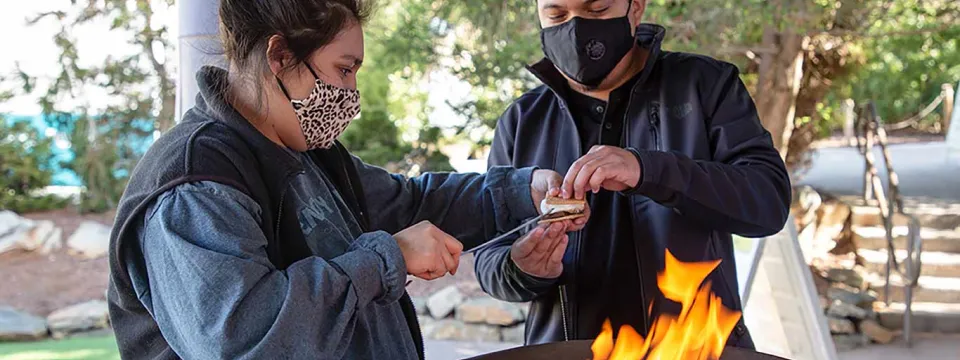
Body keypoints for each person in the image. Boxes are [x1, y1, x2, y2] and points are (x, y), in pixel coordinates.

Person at [105, 1, 586, 359]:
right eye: (343, 70)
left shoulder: (309, 155)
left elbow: (411, 204)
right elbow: (246, 339)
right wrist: (388, 258)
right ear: (280, 56)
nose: (351, 95)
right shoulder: (195, 183)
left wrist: (522, 190)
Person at [473, 0, 791, 349]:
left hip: (694, 346)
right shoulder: (522, 121)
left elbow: (768, 201)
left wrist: (647, 170)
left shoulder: (705, 85)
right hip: (568, 352)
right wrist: (521, 269)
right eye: (557, 15)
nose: (576, 30)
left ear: (635, 8)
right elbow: (488, 257)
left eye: (597, 10)